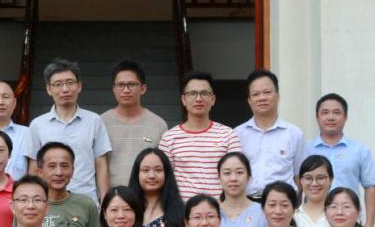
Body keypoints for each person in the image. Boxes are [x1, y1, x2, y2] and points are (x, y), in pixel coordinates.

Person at [25, 58, 112, 201]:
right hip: (50, 201)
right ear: (49, 89)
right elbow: (34, 168)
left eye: (70, 82)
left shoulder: (94, 121)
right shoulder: (37, 125)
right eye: (58, 84)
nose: (65, 89)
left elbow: (101, 164)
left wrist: (105, 202)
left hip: (86, 200)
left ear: (79, 86)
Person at [303, 93, 375, 227]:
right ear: (317, 117)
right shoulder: (305, 149)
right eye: (325, 112)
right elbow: (298, 183)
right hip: (312, 221)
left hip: (348, 220)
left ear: (345, 117)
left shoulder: (360, 150)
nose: (330, 117)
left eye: (336, 112)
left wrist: (369, 224)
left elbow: (370, 186)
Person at [159, 71, 241, 201]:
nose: (198, 99)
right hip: (183, 211)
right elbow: (164, 180)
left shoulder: (228, 135)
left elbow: (237, 176)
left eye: (204, 93)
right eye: (192, 93)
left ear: (213, 99)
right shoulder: (169, 138)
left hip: (220, 210)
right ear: (183, 100)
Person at [234, 69, 306, 198]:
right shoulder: (237, 134)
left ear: (278, 96)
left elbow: (299, 176)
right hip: (247, 203)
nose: (262, 98)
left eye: (267, 92)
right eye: (256, 94)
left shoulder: (294, 134)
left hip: (283, 203)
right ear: (249, 100)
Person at [101, 59, 169, 188]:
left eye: (132, 84)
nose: (126, 90)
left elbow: (164, 168)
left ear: (143, 88)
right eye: (120, 85)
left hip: (148, 196)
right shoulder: (101, 123)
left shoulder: (158, 125)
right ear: (113, 89)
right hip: (114, 197)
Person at [216, 152, 266, 227]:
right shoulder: (211, 213)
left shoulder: (263, 212)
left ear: (249, 177)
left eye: (239, 172)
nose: (233, 178)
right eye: (227, 173)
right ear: (219, 178)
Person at [295, 155, 334, 227]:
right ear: (301, 180)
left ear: (331, 179)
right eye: (308, 178)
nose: (314, 184)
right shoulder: (291, 216)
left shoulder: (340, 215)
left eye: (320, 178)